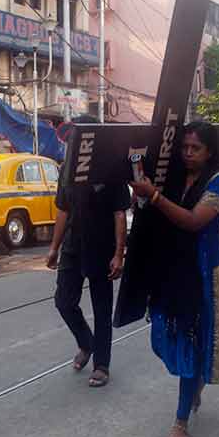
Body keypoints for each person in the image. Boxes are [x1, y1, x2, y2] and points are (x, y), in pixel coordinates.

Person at [129, 121, 219, 437]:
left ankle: (181, 420)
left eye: (195, 148)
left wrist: (155, 196)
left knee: (191, 342)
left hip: (201, 273)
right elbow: (157, 217)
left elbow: (192, 221)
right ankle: (200, 370)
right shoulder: (173, 177)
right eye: (184, 147)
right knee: (165, 338)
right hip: (170, 270)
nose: (188, 153)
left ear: (209, 151)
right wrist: (143, 197)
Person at [47, 118, 129, 389]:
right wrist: (54, 248)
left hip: (102, 247)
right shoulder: (67, 170)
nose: (72, 144)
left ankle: (102, 364)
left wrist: (119, 254)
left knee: (102, 308)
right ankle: (86, 342)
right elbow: (63, 210)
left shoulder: (113, 167)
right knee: (63, 302)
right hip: (72, 246)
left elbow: (120, 214)